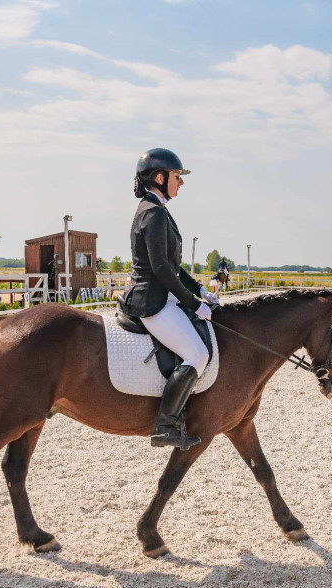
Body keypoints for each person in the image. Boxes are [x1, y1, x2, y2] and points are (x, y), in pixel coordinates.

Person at [121, 148, 218, 450]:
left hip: (161, 295)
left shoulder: (157, 209)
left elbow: (172, 266)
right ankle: (165, 425)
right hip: (151, 301)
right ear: (160, 178)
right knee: (198, 356)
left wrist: (199, 289)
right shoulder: (153, 213)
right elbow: (161, 268)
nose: (181, 183)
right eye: (177, 177)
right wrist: (193, 303)